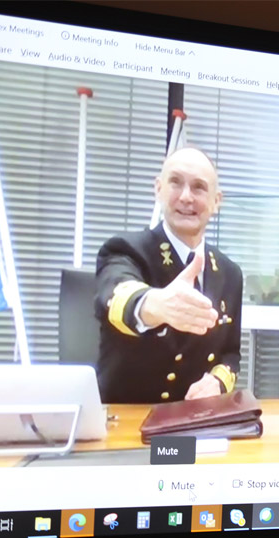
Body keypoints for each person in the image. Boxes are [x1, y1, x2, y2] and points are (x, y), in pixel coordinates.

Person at [95, 147, 242, 404]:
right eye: (175, 183)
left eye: (198, 187)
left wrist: (217, 382)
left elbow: (230, 355)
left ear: (216, 201)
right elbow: (115, 297)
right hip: (131, 418)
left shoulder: (230, 273)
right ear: (158, 189)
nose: (186, 197)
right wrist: (155, 305)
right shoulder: (125, 250)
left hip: (194, 417)